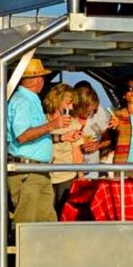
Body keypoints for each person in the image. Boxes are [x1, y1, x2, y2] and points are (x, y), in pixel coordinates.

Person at [6, 58, 72, 224]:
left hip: (36, 171)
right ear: (39, 80)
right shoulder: (22, 102)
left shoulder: (30, 100)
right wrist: (52, 125)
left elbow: (33, 136)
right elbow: (22, 136)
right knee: (28, 222)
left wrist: (61, 137)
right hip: (27, 172)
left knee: (45, 222)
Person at [44, 83, 85, 216]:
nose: (71, 107)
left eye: (73, 104)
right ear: (57, 100)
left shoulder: (73, 123)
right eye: (68, 103)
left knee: (63, 214)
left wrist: (80, 176)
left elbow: (76, 152)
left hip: (66, 177)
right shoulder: (41, 120)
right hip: (44, 176)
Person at [73, 81, 113, 178]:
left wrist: (97, 145)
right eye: (88, 111)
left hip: (92, 166)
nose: (91, 112)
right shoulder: (68, 115)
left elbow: (108, 139)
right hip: (69, 169)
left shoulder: (98, 113)